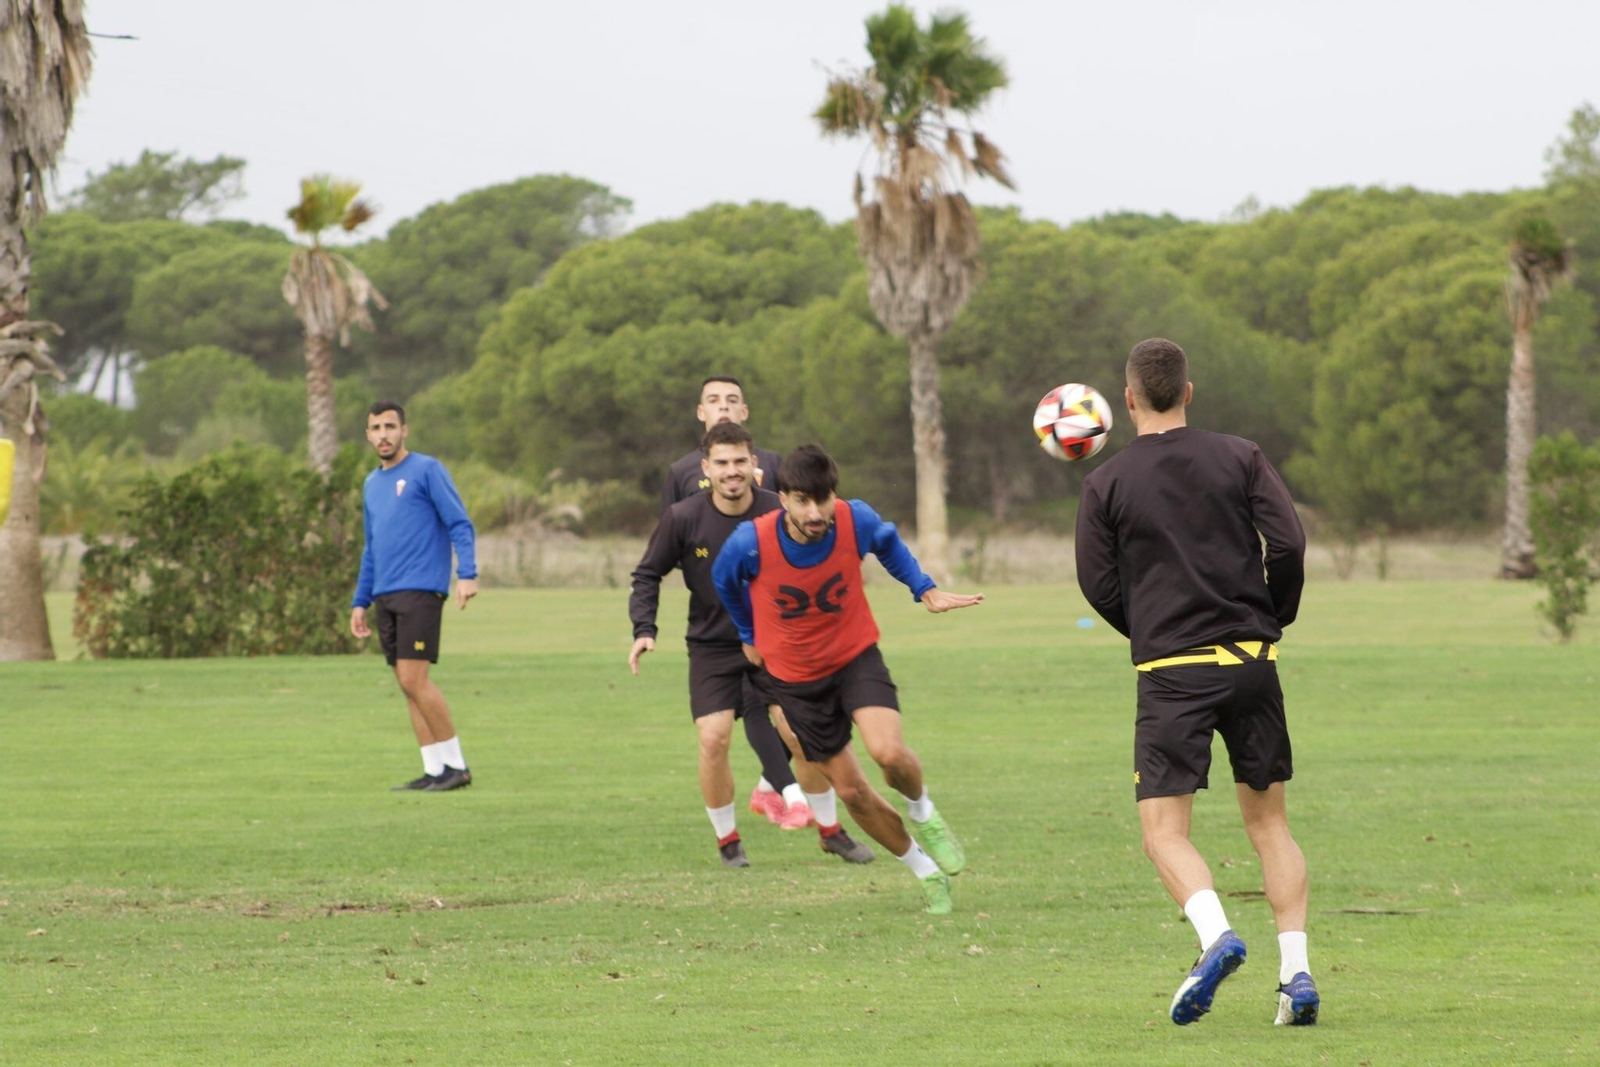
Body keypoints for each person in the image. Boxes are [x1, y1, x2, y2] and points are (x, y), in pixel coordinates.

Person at [1075, 338, 1317, 1027]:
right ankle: (1295, 976)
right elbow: (1290, 544)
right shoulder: (1241, 455)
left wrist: (1151, 629)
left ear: (1127, 400)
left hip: (1171, 672)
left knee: (1162, 830)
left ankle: (1217, 937)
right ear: (1188, 391)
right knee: (1270, 824)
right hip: (1251, 661)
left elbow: (1097, 582)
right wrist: (1274, 613)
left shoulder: (1106, 482)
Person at [713, 444, 983, 914]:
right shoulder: (750, 541)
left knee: (890, 754)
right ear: (784, 499)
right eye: (802, 500)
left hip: (855, 658)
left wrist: (925, 589)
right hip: (795, 680)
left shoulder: (854, 519)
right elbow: (724, 580)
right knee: (853, 792)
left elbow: (888, 543)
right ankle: (925, 871)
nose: (815, 512)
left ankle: (924, 813)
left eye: (823, 499)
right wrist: (747, 633)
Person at [631, 423, 873, 868]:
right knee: (713, 739)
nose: (732, 471)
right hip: (712, 647)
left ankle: (831, 831)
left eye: (740, 461)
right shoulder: (683, 517)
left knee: (801, 736)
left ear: (755, 464)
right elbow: (647, 574)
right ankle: (728, 843)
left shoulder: (780, 510)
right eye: (721, 463)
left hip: (776, 644)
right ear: (705, 468)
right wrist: (644, 628)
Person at [661, 375, 801, 827]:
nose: (723, 407)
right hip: (717, 625)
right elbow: (672, 543)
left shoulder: (775, 465)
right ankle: (776, 796)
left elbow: (791, 527)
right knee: (727, 726)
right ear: (700, 412)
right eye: (713, 401)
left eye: (732, 401)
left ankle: (773, 785)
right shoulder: (681, 473)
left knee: (797, 717)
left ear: (745, 412)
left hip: (774, 621)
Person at [349, 401, 479, 793]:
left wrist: (467, 574)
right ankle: (434, 769)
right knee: (406, 684)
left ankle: (457, 767)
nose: (383, 434)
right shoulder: (372, 484)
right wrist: (360, 600)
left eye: (390, 426)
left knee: (413, 678)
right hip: (385, 593)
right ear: (368, 435)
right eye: (376, 428)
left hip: (421, 589)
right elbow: (371, 547)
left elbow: (459, 522)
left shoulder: (426, 470)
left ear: (405, 430)